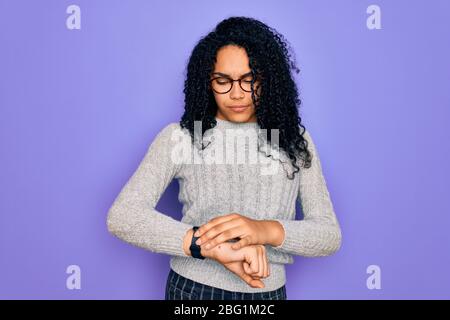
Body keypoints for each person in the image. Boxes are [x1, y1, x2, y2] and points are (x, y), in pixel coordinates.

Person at [106, 16, 342, 300]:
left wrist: (263, 230)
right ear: (207, 82)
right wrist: (205, 246)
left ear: (268, 80)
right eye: (223, 81)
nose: (237, 94)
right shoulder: (181, 137)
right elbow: (123, 216)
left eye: (249, 80)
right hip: (192, 290)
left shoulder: (294, 140)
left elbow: (329, 235)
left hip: (266, 296)